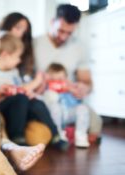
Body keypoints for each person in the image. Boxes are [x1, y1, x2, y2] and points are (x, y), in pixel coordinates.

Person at [33, 4, 103, 139]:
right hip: (46, 99)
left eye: (69, 33)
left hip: (68, 100)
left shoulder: (80, 48)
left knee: (96, 124)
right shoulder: (34, 43)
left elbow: (87, 81)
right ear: (52, 22)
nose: (64, 37)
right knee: (39, 132)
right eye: (60, 31)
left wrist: (84, 88)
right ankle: (65, 130)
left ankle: (69, 130)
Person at [0, 33, 69, 151]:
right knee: (21, 98)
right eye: (17, 56)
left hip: (19, 106)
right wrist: (0, 91)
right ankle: (17, 136)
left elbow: (21, 88)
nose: (19, 60)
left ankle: (55, 135)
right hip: (1, 107)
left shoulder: (14, 71)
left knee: (36, 102)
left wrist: (28, 93)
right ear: (5, 55)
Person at [43, 63, 90, 148]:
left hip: (68, 113)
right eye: (55, 80)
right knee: (54, 106)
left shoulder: (70, 88)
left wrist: (74, 90)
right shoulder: (47, 88)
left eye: (61, 79)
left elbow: (78, 100)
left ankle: (81, 136)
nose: (59, 82)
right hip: (55, 116)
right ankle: (58, 134)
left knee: (82, 108)